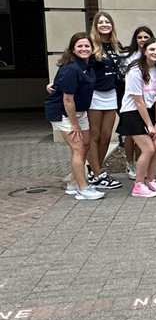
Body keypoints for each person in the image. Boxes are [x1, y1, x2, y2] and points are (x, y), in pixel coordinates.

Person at [45, 33, 104, 200]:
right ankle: (82, 188)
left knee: (85, 145)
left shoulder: (87, 65)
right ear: (72, 49)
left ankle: (73, 183)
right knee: (78, 148)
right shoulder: (71, 68)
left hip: (80, 112)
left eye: (87, 46)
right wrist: (74, 125)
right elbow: (67, 99)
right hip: (63, 112)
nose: (84, 49)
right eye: (80, 46)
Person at [120, 37, 156, 197]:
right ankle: (138, 185)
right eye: (152, 49)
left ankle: (151, 181)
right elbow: (138, 101)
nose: (155, 52)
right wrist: (149, 125)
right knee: (148, 149)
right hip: (133, 113)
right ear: (145, 51)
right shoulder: (135, 70)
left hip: (151, 112)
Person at [86, 10, 124, 190]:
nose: (104, 25)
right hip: (94, 94)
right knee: (94, 135)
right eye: (100, 22)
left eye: (107, 22)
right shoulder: (91, 45)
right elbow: (75, 65)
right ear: (95, 25)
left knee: (107, 136)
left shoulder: (116, 45)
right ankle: (97, 171)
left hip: (111, 94)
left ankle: (95, 171)